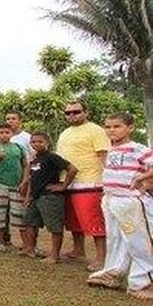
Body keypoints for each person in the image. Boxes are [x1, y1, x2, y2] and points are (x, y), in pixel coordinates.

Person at [86, 113, 153, 300]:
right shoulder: (111, 150)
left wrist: (142, 178)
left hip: (131, 201)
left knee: (140, 242)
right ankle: (113, 273)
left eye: (117, 126)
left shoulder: (137, 149)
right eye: (108, 127)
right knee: (116, 239)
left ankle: (142, 282)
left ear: (130, 128)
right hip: (111, 199)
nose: (111, 130)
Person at [56, 100, 110, 271]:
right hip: (68, 182)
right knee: (73, 221)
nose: (72, 115)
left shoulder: (96, 130)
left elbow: (104, 156)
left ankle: (101, 257)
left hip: (89, 182)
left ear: (86, 112)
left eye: (76, 112)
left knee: (93, 220)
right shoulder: (65, 133)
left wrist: (108, 180)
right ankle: (78, 250)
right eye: (68, 113)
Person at [22, 131, 77, 263]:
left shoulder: (52, 157)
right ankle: (30, 249)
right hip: (35, 197)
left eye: (40, 141)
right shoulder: (35, 159)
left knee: (54, 227)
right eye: (33, 142)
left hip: (50, 197)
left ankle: (54, 255)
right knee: (30, 222)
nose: (36, 144)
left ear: (47, 143)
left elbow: (72, 169)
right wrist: (28, 196)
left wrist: (63, 186)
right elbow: (32, 179)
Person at [0, 123, 29, 252]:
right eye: (1, 132)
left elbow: (25, 165)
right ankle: (0, 241)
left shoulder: (18, 147)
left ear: (12, 134)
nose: (4, 135)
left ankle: (27, 244)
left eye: (7, 132)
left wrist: (24, 180)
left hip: (16, 185)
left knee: (19, 214)